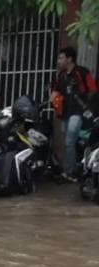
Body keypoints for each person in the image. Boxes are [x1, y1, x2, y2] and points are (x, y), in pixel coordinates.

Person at [52, 46, 97, 181]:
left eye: (61, 58)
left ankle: (70, 171)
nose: (58, 61)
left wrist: (84, 102)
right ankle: (73, 168)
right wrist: (54, 100)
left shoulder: (82, 72)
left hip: (78, 113)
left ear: (69, 59)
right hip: (64, 113)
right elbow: (55, 91)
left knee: (69, 140)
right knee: (69, 142)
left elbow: (93, 90)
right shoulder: (61, 75)